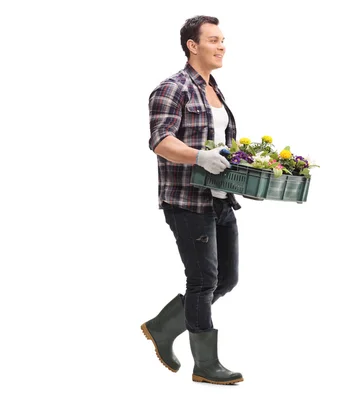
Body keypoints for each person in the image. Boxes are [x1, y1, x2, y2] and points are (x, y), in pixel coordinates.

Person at [141, 15, 243, 385]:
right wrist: (199, 156)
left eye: (223, 40)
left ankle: (162, 327)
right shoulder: (173, 88)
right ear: (192, 45)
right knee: (202, 281)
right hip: (186, 200)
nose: (222, 46)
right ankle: (206, 365)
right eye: (214, 40)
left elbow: (224, 148)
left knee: (226, 280)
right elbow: (160, 141)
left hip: (220, 199)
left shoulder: (215, 90)